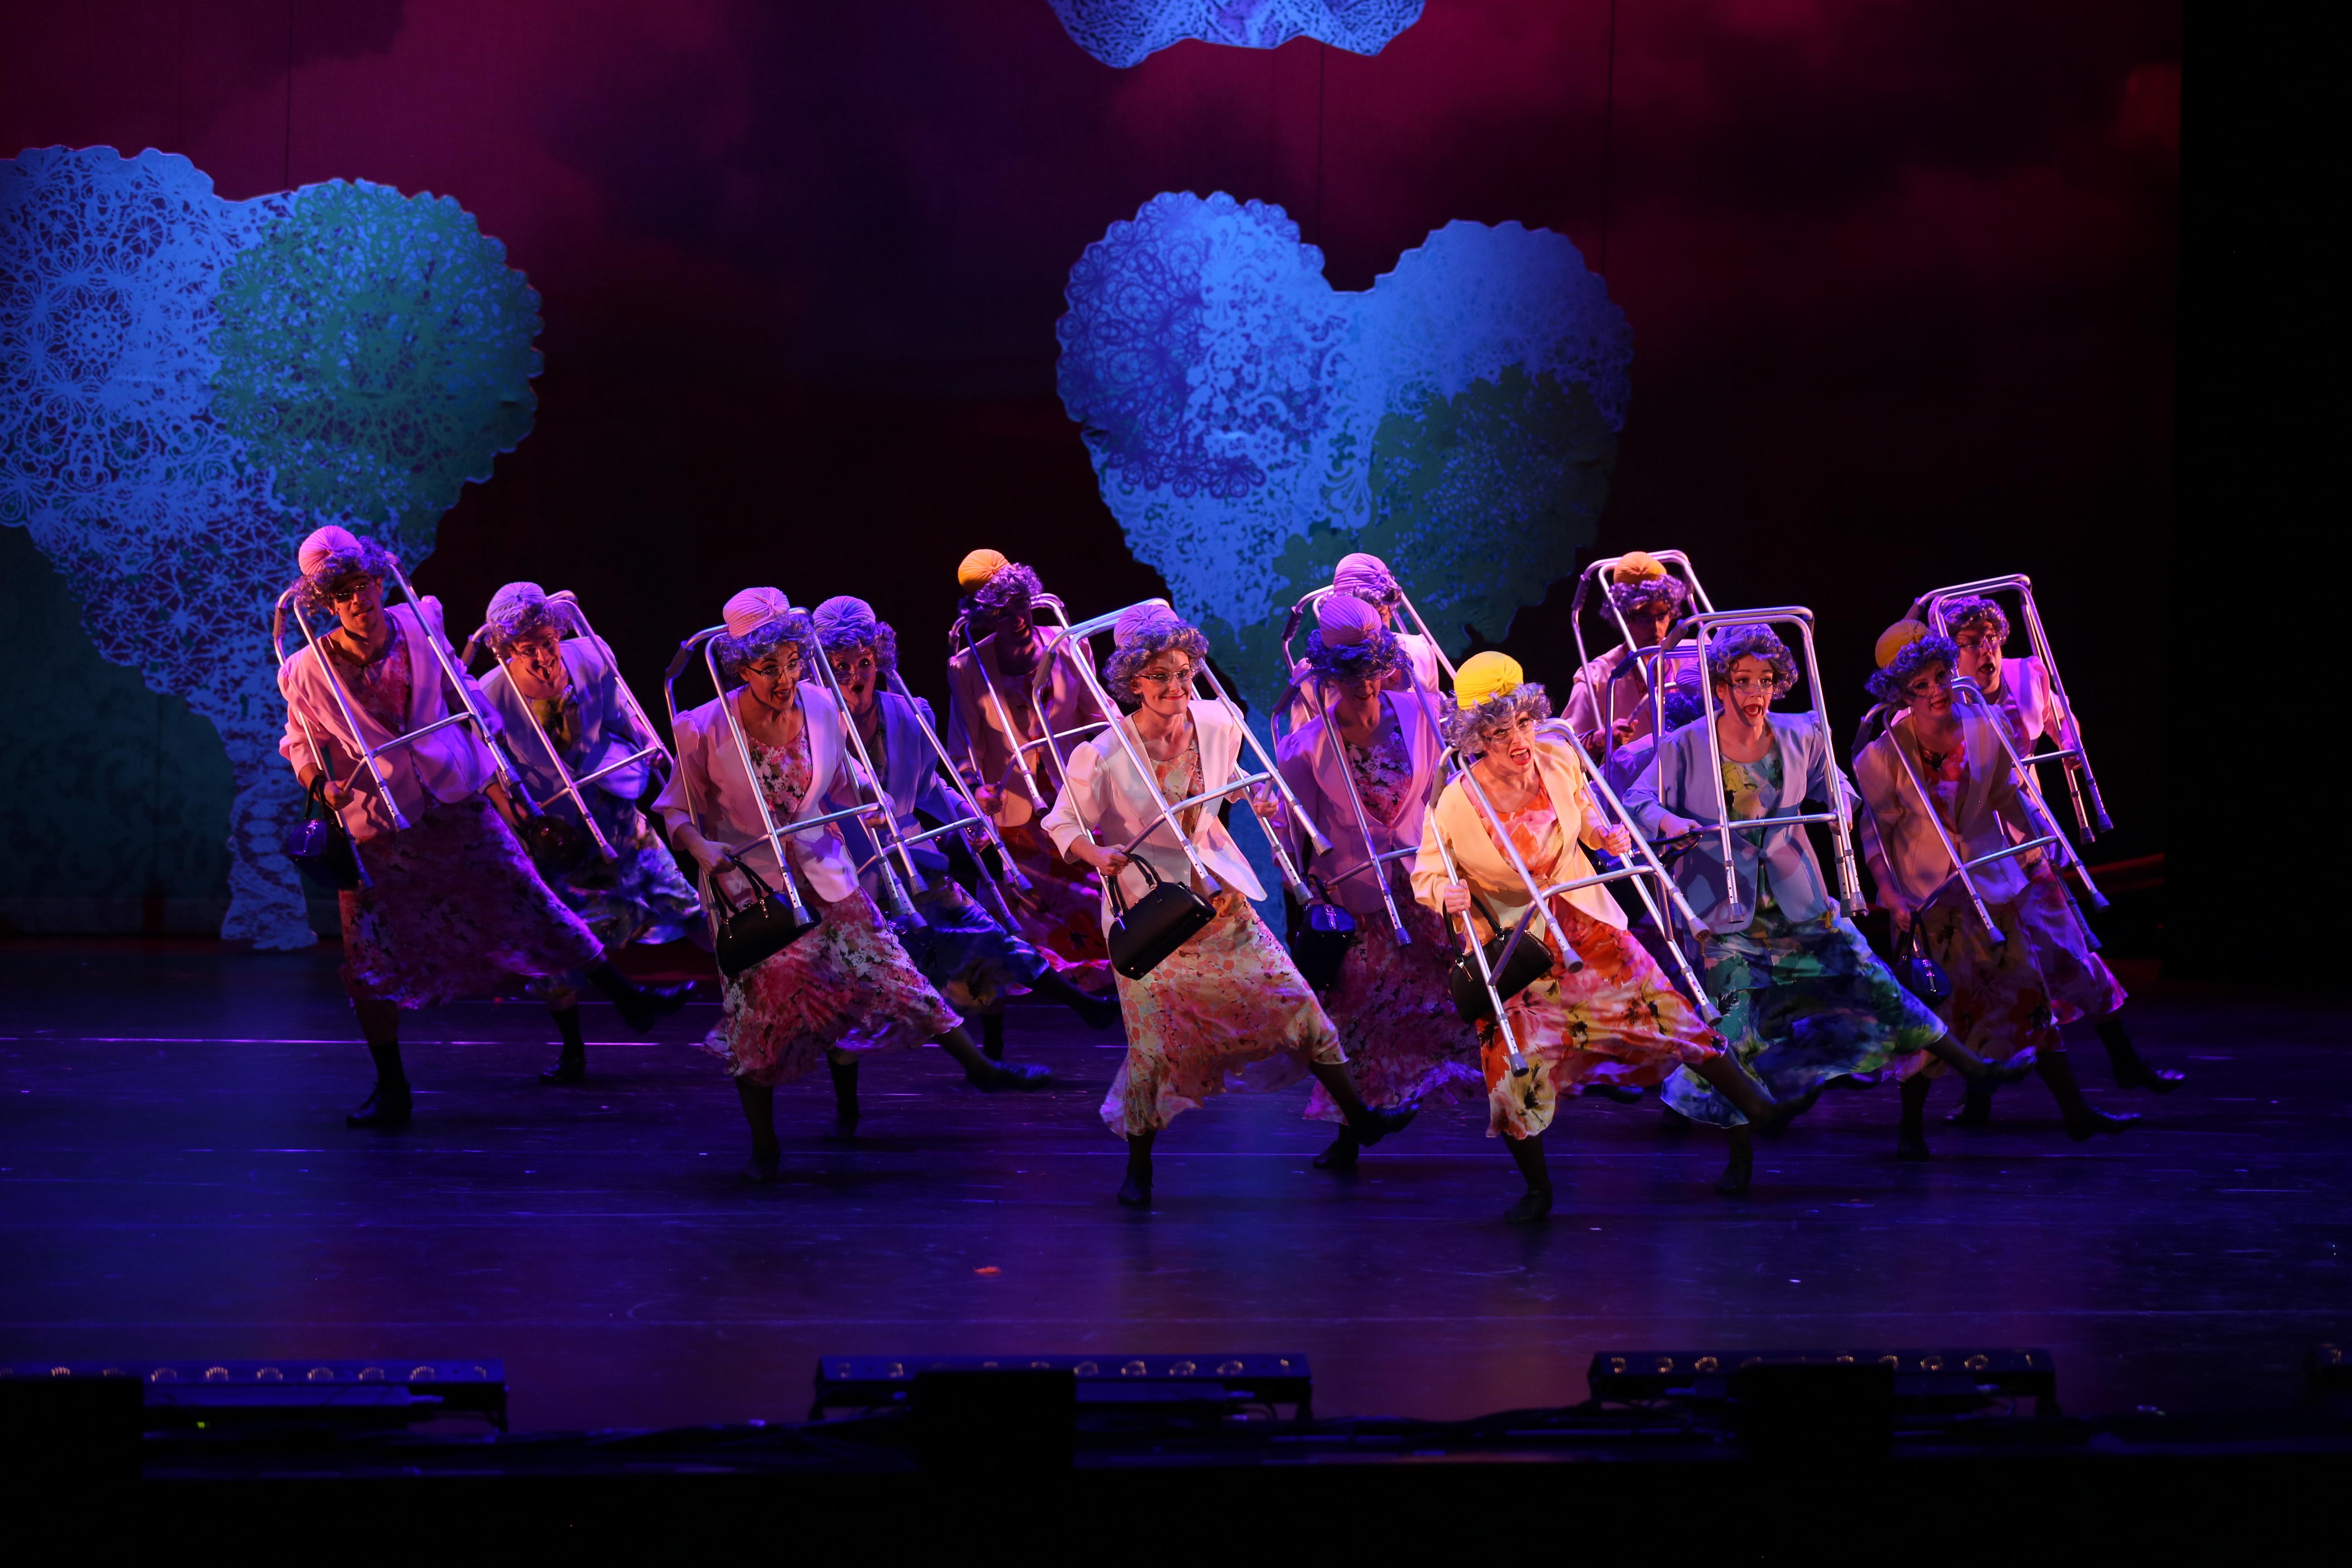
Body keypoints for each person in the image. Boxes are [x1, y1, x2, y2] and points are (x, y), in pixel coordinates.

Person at [275, 528, 686, 1129]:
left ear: (380, 582)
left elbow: (464, 700)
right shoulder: (307, 669)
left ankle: (629, 998)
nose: (358, 600)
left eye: (363, 585)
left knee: (528, 899)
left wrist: (507, 787)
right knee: (371, 957)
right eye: (342, 594)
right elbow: (300, 742)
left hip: (454, 798)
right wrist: (321, 784)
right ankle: (392, 1087)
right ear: (327, 604)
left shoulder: (420, 623)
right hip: (382, 824)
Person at [656, 588, 1048, 1182]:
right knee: (759, 1015)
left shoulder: (820, 706)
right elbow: (677, 809)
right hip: (754, 889)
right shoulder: (705, 727)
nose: (786, 679)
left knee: (891, 970)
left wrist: (869, 799)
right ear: (742, 669)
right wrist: (700, 847)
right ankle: (765, 1147)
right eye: (770, 668)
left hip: (825, 873)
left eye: (793, 662)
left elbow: (843, 778)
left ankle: (980, 1068)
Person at [1623, 624, 2026, 1182]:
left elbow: (1837, 787)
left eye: (1766, 680)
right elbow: (1638, 800)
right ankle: (1739, 1159)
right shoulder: (1686, 746)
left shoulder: (1801, 734)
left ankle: (1974, 1068)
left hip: (1799, 899)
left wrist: (1840, 801)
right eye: (1743, 681)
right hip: (1726, 908)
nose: (1756, 693)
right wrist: (1672, 822)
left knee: (1874, 980)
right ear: (1721, 687)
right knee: (1734, 1025)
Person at [1042, 604, 1413, 1208]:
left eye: (1183, 673)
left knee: (1299, 1006)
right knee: (1152, 1049)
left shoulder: (1218, 721)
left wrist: (1258, 796)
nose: (1175, 687)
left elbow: (1232, 778)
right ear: (1132, 681)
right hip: (1152, 918)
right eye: (1159, 676)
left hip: (1218, 902)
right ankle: (1139, 1168)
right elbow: (1061, 822)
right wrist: (1097, 852)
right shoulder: (1104, 754)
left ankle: (1361, 1118)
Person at [1412, 653, 1775, 1221]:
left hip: (1588, 930)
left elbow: (1586, 817)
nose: (1519, 741)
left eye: (1524, 723)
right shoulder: (1456, 801)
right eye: (1501, 732)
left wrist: (1608, 838)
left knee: (1680, 1025)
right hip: (1521, 952)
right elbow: (1426, 875)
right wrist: (1446, 894)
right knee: (1512, 1072)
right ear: (1477, 738)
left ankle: (1751, 1125)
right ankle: (1538, 1191)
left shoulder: (1558, 759)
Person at [812, 593, 1120, 1093]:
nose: (855, 677)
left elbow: (930, 785)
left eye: (864, 662)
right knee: (859, 991)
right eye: (840, 666)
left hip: (914, 859)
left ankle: (1069, 1016)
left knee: (990, 934)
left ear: (879, 659)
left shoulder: (906, 713)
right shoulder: (812, 724)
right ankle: (849, 1114)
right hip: (849, 869)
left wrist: (969, 819)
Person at [1853, 622, 2135, 1153]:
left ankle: (2076, 1113)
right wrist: (1889, 893)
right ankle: (1910, 1132)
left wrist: (2033, 852)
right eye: (1920, 686)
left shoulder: (1985, 726)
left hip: (1990, 884)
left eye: (1941, 676)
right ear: (1902, 695)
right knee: (1932, 1013)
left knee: (2030, 996)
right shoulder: (1882, 756)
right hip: (1930, 898)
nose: (1936, 691)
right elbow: (1876, 832)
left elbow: (2006, 798)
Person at [1942, 596, 2176, 1103]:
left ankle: (2126, 1061)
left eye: (1992, 639)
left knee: (2070, 950)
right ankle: (1979, 1095)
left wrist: (2069, 740)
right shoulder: (1945, 695)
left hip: (2025, 836)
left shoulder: (2026, 675)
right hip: (1974, 843)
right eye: (1971, 642)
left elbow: (2062, 725)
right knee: (1988, 967)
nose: (1986, 650)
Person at [1274, 595, 1481, 1169]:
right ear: (1329, 676)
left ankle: (1434, 1089)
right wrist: (1306, 894)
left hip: (1421, 883)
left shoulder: (1422, 714)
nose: (1364, 684)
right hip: (1357, 894)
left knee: (1445, 997)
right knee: (1357, 1010)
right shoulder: (1306, 748)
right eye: (1350, 674)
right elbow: (1297, 833)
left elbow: (1452, 788)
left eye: (1372, 670)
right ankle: (1350, 1132)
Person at [476, 582, 701, 1084]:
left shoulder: (593, 656)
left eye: (547, 642)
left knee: (684, 902)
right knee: (557, 944)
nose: (542, 657)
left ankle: (743, 1003)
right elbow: (489, 772)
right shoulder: (491, 694)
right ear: (508, 650)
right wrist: (525, 824)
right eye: (527, 649)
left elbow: (623, 715)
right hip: (557, 833)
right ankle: (573, 1052)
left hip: (612, 811)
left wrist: (648, 749)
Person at [944, 550, 1112, 971]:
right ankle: (1063, 986)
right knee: (1038, 913)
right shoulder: (967, 667)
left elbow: (1099, 715)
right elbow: (964, 746)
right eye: (1000, 613)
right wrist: (975, 788)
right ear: (984, 617)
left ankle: (1114, 977)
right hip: (1016, 806)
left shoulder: (1069, 645)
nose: (1016, 618)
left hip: (1074, 792)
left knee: (1098, 893)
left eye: (1019, 604)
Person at [1280, 553, 1444, 729]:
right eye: (1361, 620)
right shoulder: (1312, 673)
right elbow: (1303, 737)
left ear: (1390, 611)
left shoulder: (1421, 651)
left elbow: (1435, 718)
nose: (1373, 632)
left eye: (1380, 615)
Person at [1565, 552, 1699, 763]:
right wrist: (1600, 740)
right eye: (1644, 618)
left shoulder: (1694, 654)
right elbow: (1563, 748)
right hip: (1634, 778)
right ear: (1623, 617)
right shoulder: (1599, 677)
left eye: (1662, 615)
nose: (1656, 628)